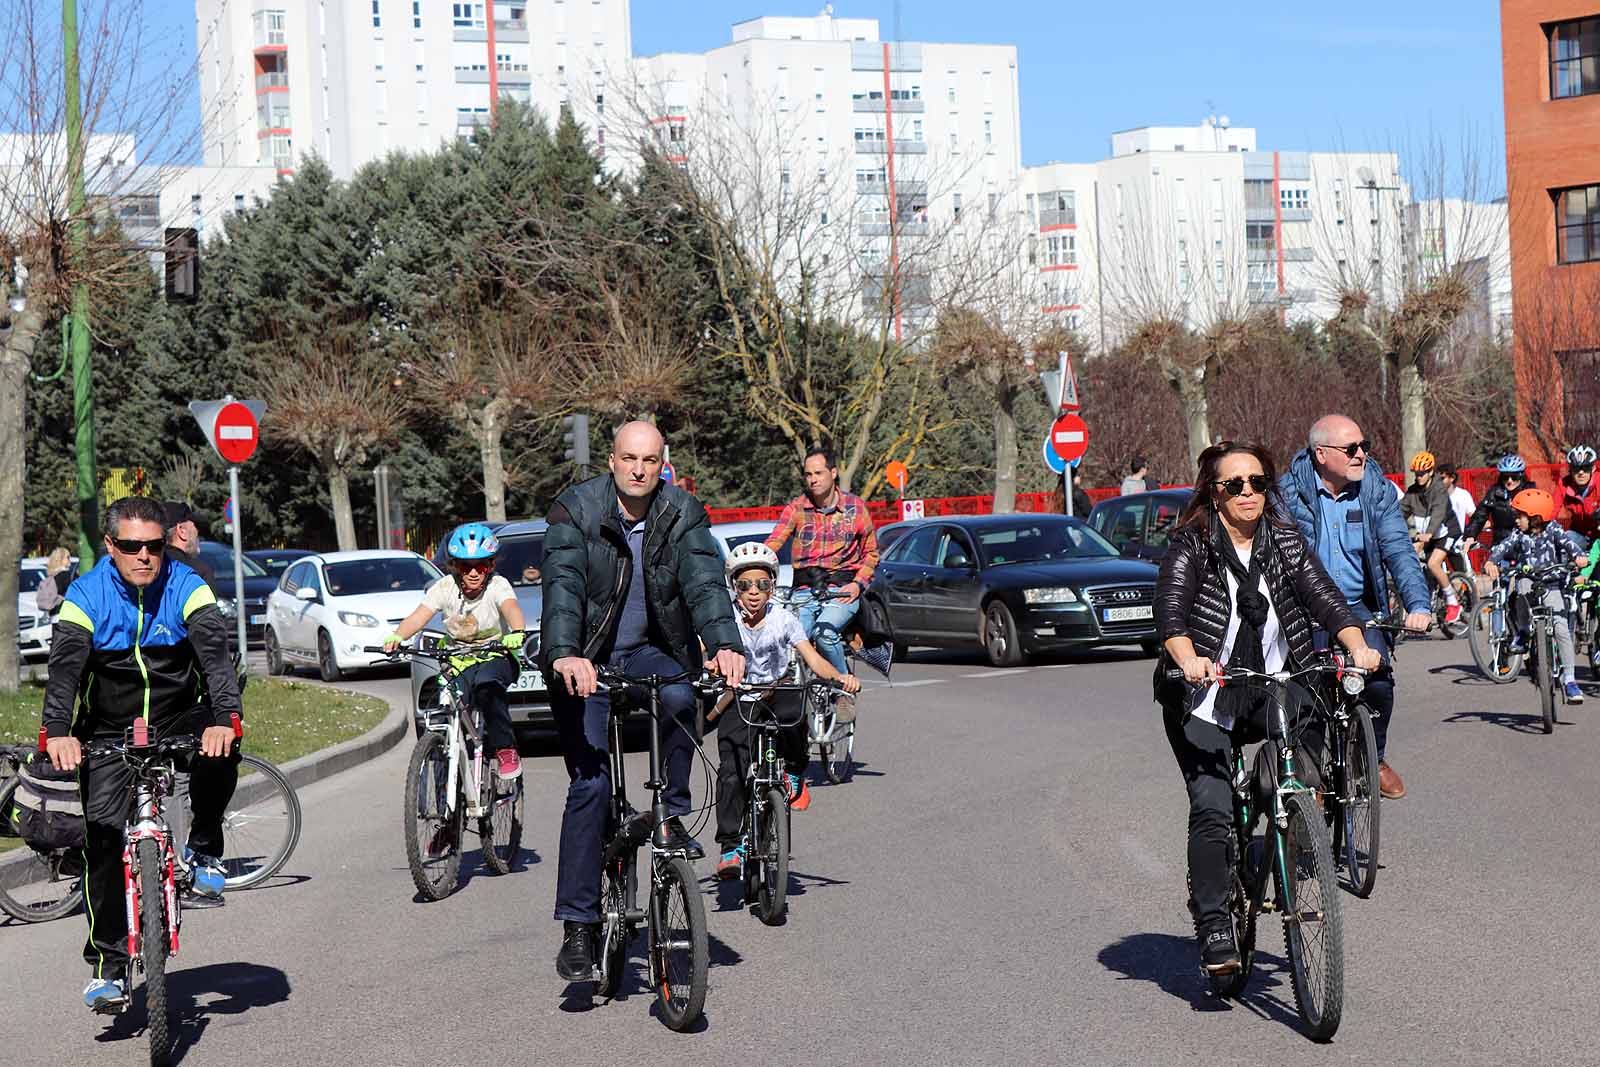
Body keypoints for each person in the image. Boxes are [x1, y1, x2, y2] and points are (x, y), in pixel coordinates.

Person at [1156, 442, 1381, 975]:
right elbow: (1172, 615)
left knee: (1302, 761)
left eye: (1257, 482)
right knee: (1211, 807)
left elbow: (1323, 596)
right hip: (1204, 694)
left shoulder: (1282, 540)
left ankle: (1280, 823)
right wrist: (1189, 660)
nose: (1248, 493)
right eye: (1235, 485)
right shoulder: (1191, 545)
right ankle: (1214, 923)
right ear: (1213, 494)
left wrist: (1355, 641)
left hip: (1275, 682)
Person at [541, 420, 747, 982]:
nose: (638, 469)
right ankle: (578, 926)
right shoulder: (576, 510)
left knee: (682, 693)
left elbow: (705, 584)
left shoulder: (682, 513)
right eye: (629, 458)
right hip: (584, 658)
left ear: (663, 464)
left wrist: (725, 644)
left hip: (649, 652)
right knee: (590, 787)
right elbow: (563, 586)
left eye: (650, 460)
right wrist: (565, 653)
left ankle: (672, 812)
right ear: (611, 461)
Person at [40, 496, 242, 1014]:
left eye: (154, 545)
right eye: (131, 547)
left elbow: (215, 658)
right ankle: (108, 966)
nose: (145, 556)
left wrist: (224, 718)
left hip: (178, 715)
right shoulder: (86, 594)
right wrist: (57, 732)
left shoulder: (186, 586)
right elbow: (64, 670)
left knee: (223, 746)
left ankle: (202, 848)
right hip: (107, 727)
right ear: (111, 546)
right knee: (103, 842)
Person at [1280, 415, 1432, 802]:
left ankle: (1373, 758)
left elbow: (1397, 547)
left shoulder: (1375, 489)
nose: (1361, 454)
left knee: (1379, 681)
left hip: (1356, 606)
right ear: (1321, 454)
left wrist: (1417, 603)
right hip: (1304, 607)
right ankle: (1311, 780)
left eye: (1364, 446)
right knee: (1308, 691)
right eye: (1351, 449)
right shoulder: (1287, 495)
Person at [709, 542, 860, 879]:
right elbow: (707, 651)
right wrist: (709, 665)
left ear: (772, 586)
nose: (753, 593)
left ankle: (793, 771)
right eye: (744, 585)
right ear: (734, 587)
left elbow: (813, 659)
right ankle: (731, 845)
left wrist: (842, 677)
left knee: (795, 700)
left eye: (762, 584)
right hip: (740, 698)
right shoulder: (724, 619)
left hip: (777, 692)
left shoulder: (784, 619)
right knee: (731, 771)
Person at [385, 521, 526, 780]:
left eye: (481, 566)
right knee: (444, 707)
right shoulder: (445, 587)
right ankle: (442, 797)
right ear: (455, 568)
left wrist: (516, 633)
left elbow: (511, 609)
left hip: (495, 655)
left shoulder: (498, 585)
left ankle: (505, 748)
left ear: (491, 566)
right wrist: (397, 636)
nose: (473, 573)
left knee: (487, 686)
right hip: (458, 660)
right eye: (465, 566)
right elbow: (418, 617)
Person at [765, 447, 879, 724]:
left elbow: (872, 553)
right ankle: (796, 702)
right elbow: (774, 542)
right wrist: (757, 562)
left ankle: (843, 690)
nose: (812, 479)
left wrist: (857, 585)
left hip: (842, 590)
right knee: (797, 639)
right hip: (805, 590)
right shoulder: (797, 508)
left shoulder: (855, 508)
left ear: (833, 473)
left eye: (818, 473)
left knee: (825, 632)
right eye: (807, 474)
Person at [1484, 488, 1587, 702]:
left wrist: (1578, 557)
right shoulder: (1519, 534)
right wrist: (1492, 560)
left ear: (1535, 518)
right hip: (1529, 579)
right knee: (1520, 589)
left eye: (1520, 515)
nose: (1517, 519)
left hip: (1553, 583)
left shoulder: (1554, 530)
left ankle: (1570, 680)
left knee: (1560, 627)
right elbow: (1504, 546)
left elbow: (1570, 545)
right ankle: (1522, 633)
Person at [1400, 452, 1462, 624]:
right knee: (1411, 559)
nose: (1419, 477)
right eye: (1417, 474)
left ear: (1430, 472)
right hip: (1426, 536)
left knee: (1433, 563)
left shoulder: (1439, 489)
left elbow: (1438, 513)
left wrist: (1428, 533)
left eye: (1423, 473)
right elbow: (1400, 512)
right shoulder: (1413, 492)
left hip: (1446, 531)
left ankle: (1453, 602)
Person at [1464, 455, 1536, 548]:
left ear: (1521, 475)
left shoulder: (1530, 491)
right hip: (1501, 545)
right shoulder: (1494, 492)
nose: (1510, 481)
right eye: (1505, 477)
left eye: (1514, 477)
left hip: (1526, 544)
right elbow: (1479, 516)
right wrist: (1470, 536)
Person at [162, 501, 215, 587]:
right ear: (182, 531)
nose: (197, 532)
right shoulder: (199, 573)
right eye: (195, 527)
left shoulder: (148, 568)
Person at [1560, 445, 1600, 546]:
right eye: (1576, 468)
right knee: (1566, 541)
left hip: (1598, 531)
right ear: (1570, 470)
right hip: (1579, 533)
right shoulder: (1564, 484)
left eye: (1586, 468)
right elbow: (1552, 509)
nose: (1581, 472)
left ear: (1593, 468)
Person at [32, 547, 74, 615]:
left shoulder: (52, 575)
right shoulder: (65, 575)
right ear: (60, 559)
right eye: (67, 557)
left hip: (53, 615)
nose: (70, 560)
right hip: (64, 614)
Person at [1440, 464, 1475, 536]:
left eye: (1442, 478)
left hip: (1457, 538)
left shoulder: (1463, 495)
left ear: (1452, 478)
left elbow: (1474, 516)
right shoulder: (1433, 496)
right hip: (1438, 539)